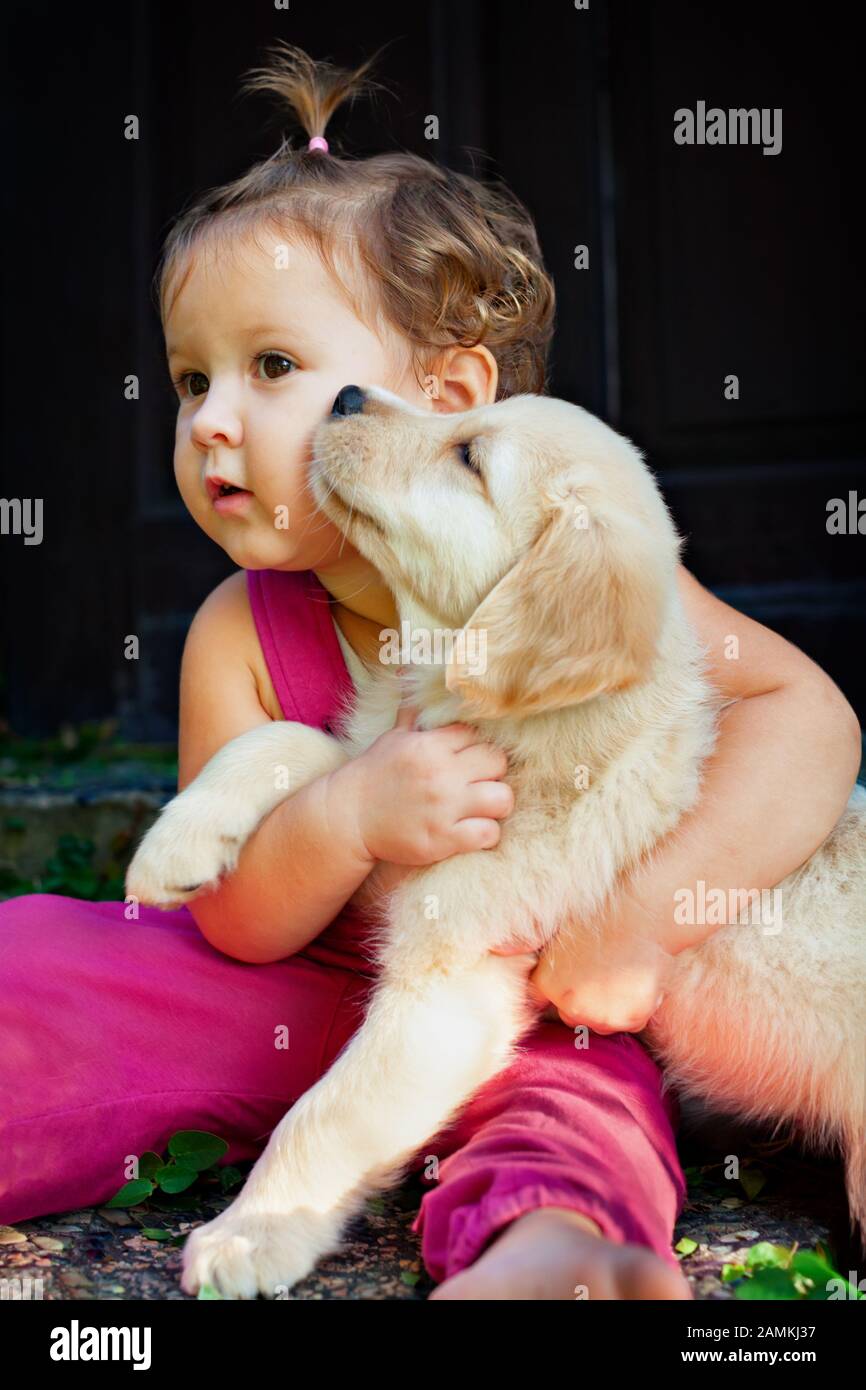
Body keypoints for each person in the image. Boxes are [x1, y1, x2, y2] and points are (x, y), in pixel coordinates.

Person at [0, 43, 860, 1301]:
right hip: (289, 995)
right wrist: (341, 810)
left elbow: (812, 718)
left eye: (273, 368)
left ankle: (553, 1251)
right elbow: (232, 923)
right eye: (190, 380)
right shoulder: (240, 630)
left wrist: (643, 917)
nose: (208, 422)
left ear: (446, 397)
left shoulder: (588, 570)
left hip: (516, 985)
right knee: (55, 968)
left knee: (571, 1092)